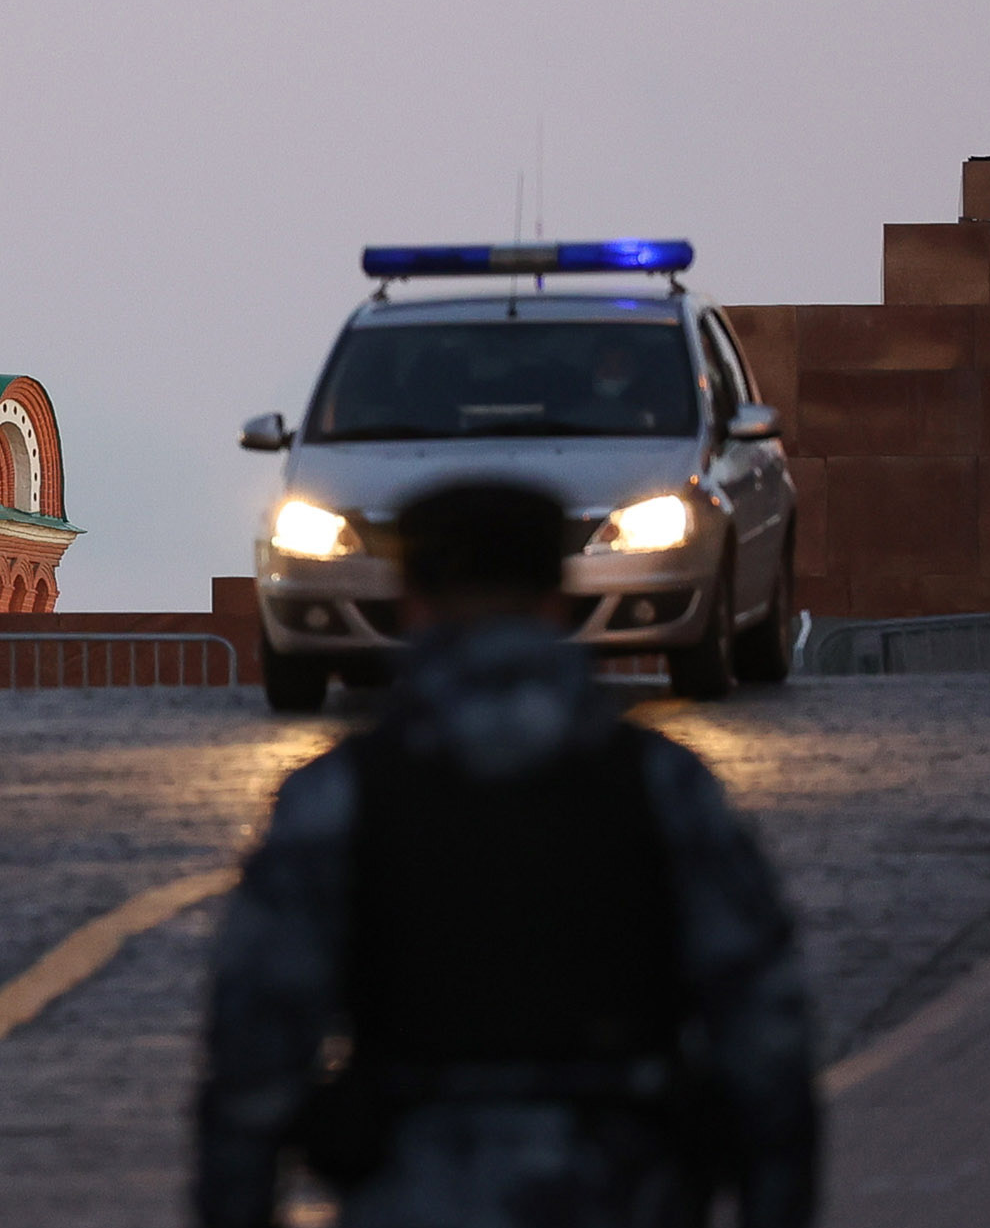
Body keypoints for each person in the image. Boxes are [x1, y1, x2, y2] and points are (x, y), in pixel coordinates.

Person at [195, 479, 820, 1228]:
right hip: (623, 1188)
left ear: (411, 603)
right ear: (559, 601)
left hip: (415, 1191)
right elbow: (769, 1045)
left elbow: (252, 1056)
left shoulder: (339, 799)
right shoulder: (664, 788)